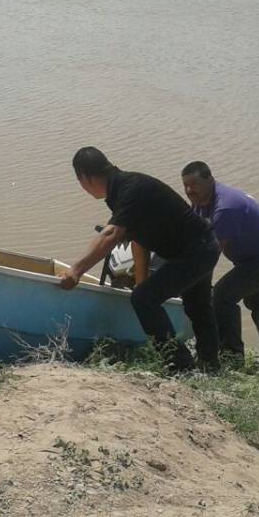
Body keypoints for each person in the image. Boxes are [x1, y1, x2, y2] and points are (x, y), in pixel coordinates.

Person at [59, 147, 220, 373]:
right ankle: (209, 366)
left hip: (196, 251)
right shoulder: (119, 191)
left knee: (146, 300)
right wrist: (141, 280)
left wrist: (76, 270)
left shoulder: (129, 189)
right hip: (200, 248)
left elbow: (110, 235)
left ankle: (180, 365)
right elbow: (139, 239)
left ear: (84, 177)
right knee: (196, 306)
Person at [182, 161, 259, 374]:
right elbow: (193, 235)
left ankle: (232, 356)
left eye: (194, 184)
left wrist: (190, 284)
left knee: (222, 295)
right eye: (185, 185)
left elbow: (209, 254)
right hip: (256, 253)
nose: (189, 190)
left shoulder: (225, 208)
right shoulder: (201, 201)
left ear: (210, 180)